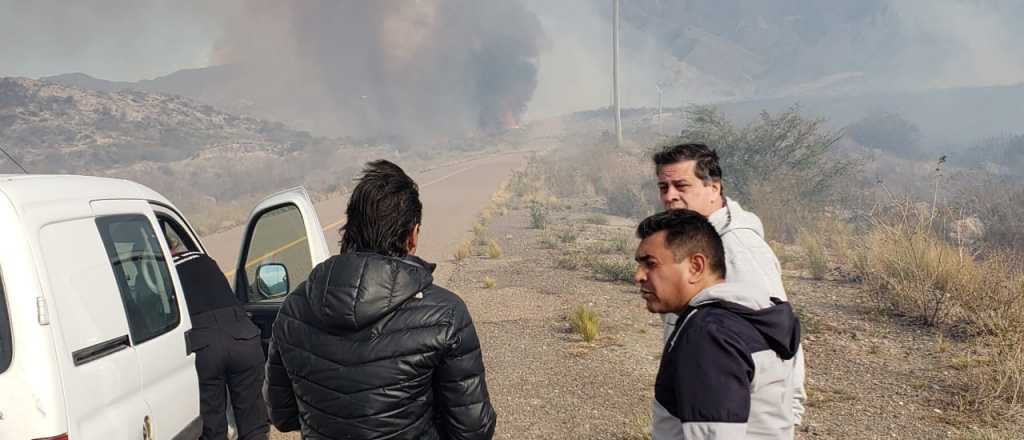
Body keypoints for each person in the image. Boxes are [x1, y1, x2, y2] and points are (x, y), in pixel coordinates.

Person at [264, 160, 497, 439]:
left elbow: (283, 415)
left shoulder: (293, 309)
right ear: (413, 235)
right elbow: (472, 429)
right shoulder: (445, 313)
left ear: (348, 230)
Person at [651, 142, 807, 429]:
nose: (670, 197)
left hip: (736, 415)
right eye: (664, 188)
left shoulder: (735, 247)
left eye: (681, 186)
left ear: (714, 188)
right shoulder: (699, 238)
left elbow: (778, 331)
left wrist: (788, 415)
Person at [634, 209, 801, 439]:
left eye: (650, 264)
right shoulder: (743, 315)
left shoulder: (710, 334)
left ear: (696, 266)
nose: (639, 276)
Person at [169, 241, 269, 440]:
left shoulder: (161, 271)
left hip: (203, 344)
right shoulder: (204, 259)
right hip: (242, 335)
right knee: (253, 425)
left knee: (213, 427)